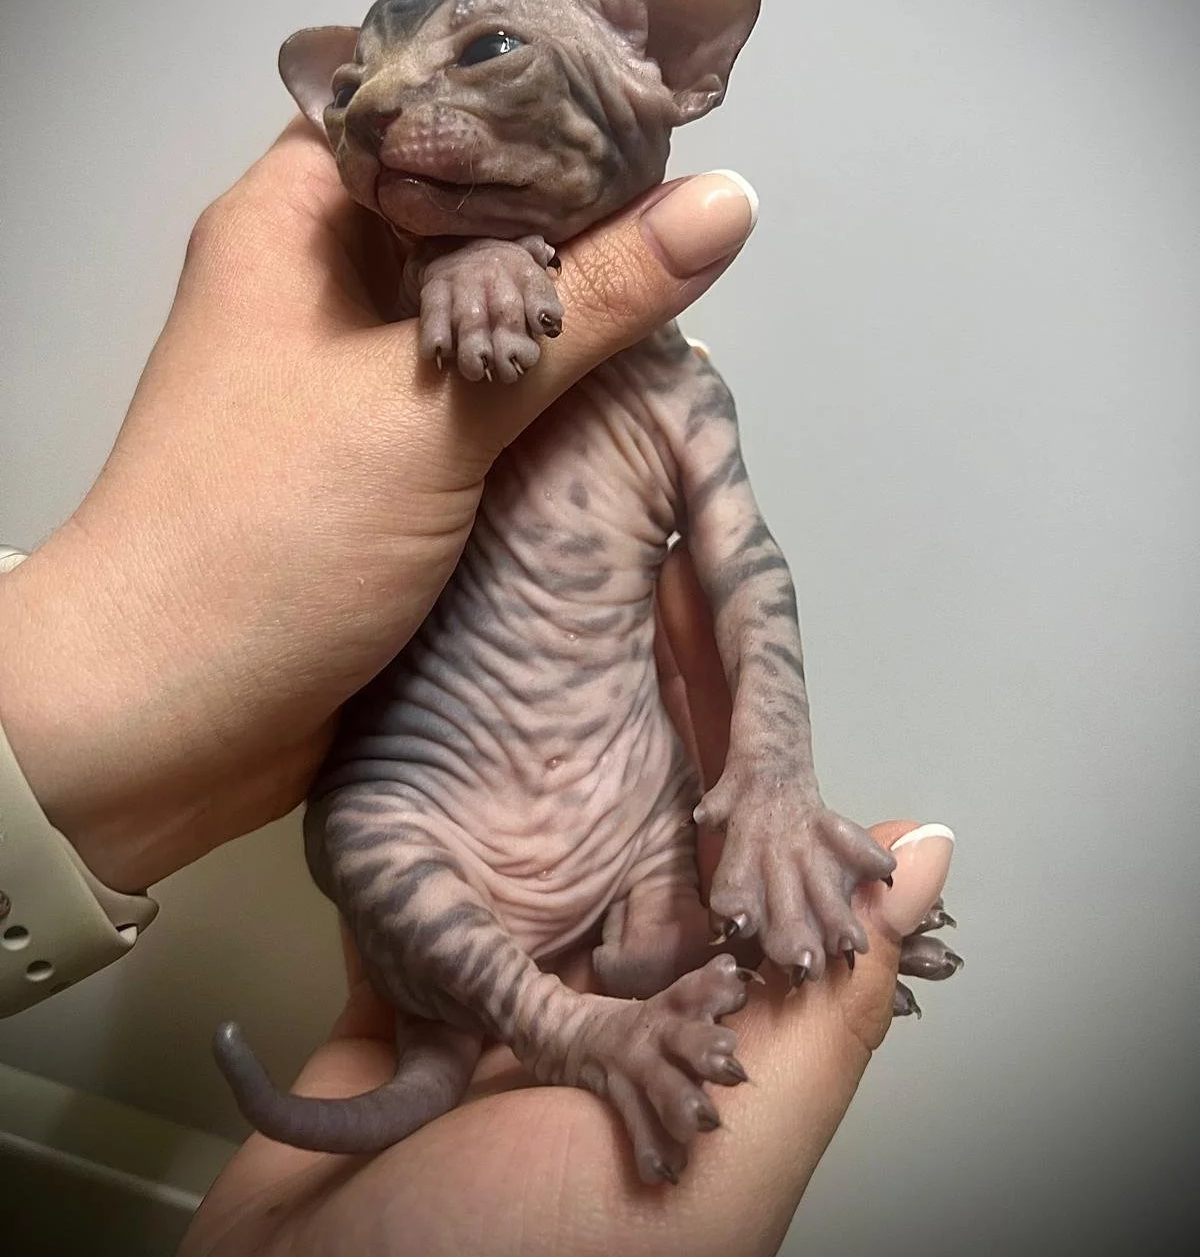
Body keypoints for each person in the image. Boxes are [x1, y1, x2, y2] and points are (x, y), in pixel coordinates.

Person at [0, 124, 955, 1256]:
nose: (412, 106)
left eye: (491, 56)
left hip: (626, 820)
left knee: (683, 822)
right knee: (364, 827)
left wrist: (779, 793)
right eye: (372, 92)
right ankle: (568, 1029)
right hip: (432, 819)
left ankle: (772, 930)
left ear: (673, 78)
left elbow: (749, 572)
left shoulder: (680, 382)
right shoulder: (423, 330)